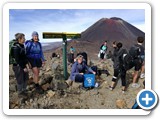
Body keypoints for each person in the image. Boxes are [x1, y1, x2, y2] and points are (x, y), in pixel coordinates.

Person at [11, 33, 29, 97]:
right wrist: (24, 67)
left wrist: (27, 64)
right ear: (19, 39)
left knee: (25, 78)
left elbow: (23, 56)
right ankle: (20, 93)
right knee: (20, 79)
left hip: (23, 65)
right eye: (23, 38)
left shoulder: (22, 45)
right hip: (18, 66)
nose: (25, 39)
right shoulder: (16, 47)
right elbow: (17, 59)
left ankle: (24, 90)